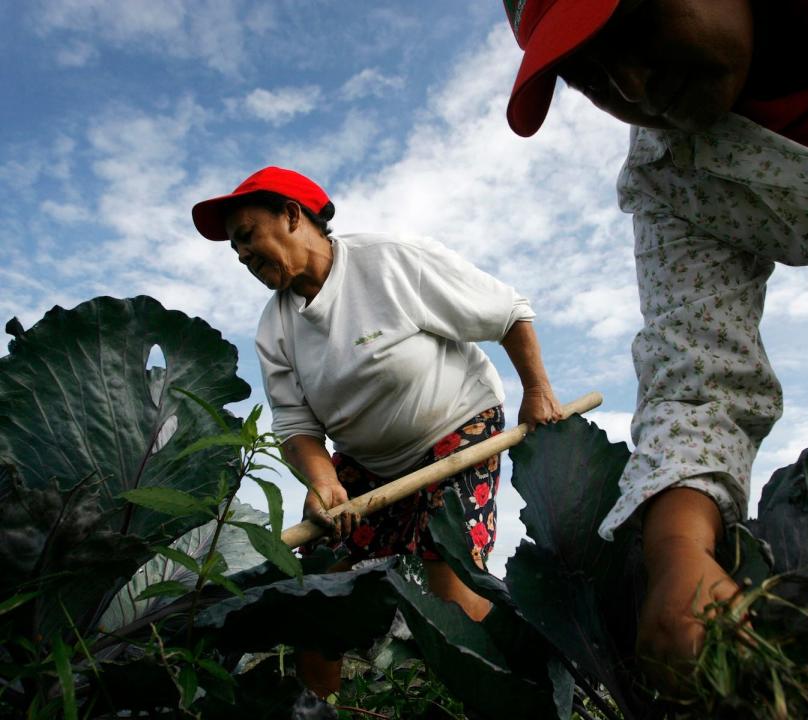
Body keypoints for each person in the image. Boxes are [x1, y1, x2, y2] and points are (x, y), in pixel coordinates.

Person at [501, 0, 808, 679]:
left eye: (634, 26)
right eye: (588, 74)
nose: (630, 85)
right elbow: (699, 372)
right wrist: (679, 552)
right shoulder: (678, 177)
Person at [192, 166, 562, 696]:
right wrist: (322, 480)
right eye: (237, 252)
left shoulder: (388, 262)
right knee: (319, 589)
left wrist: (537, 390)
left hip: (457, 430)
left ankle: (490, 700)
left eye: (248, 237)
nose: (244, 257)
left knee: (450, 576)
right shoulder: (275, 327)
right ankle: (315, 708)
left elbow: (508, 314)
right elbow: (296, 425)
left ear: (293, 215)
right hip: (368, 461)